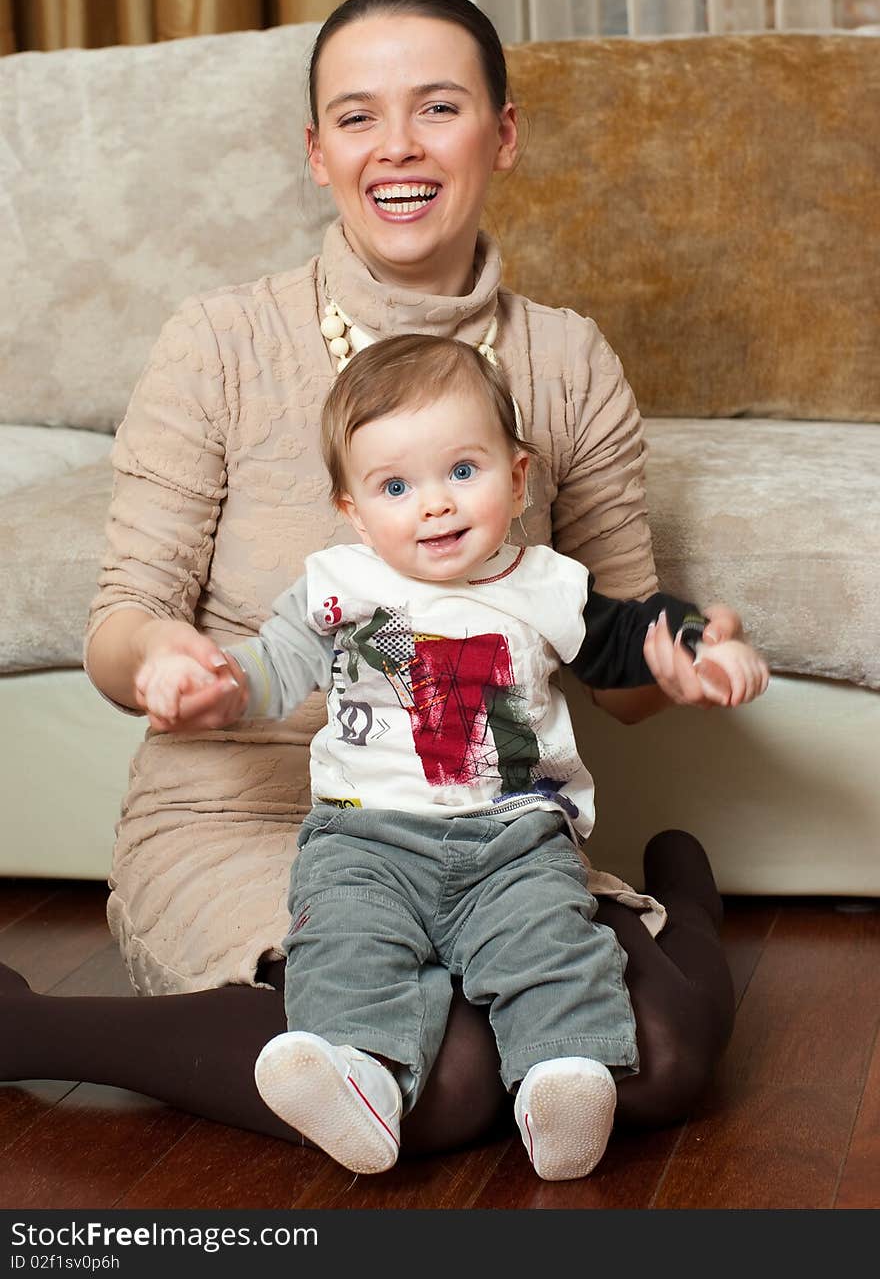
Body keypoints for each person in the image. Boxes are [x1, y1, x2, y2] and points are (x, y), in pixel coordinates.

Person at [1, 0, 750, 1153]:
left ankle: (685, 898)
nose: (395, 147)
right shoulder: (221, 341)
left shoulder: (563, 357)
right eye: (355, 117)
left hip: (491, 826)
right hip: (253, 809)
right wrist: (167, 663)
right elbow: (124, 619)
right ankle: (27, 1030)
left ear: (501, 133)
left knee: (647, 1062)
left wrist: (680, 658)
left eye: (437, 108)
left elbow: (617, 662)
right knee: (438, 1075)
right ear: (315, 152)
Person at [135, 333, 768, 1179]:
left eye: (461, 472)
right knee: (343, 945)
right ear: (354, 510)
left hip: (512, 839)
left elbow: (628, 633)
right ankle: (356, 1072)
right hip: (365, 839)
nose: (434, 504)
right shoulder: (341, 585)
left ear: (516, 476)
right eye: (397, 486)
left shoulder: (543, 582)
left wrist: (691, 648)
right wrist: (212, 684)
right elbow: (269, 666)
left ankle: (562, 1076)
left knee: (550, 942)